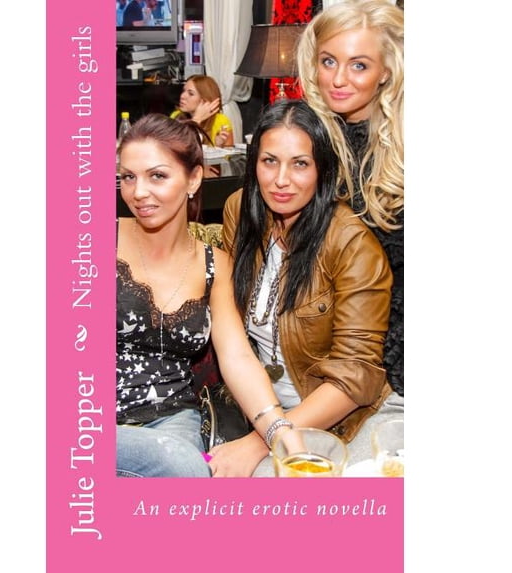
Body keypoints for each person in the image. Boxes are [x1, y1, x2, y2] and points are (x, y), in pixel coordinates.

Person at [211, 99, 392, 476]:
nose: (281, 180)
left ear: (322, 169)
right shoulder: (240, 211)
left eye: (300, 164)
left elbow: (355, 377)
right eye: (269, 161)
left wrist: (262, 440)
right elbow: (231, 330)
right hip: (257, 405)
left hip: (335, 419)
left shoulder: (352, 244)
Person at [116, 113, 292, 477]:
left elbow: (237, 358)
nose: (138, 192)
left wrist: (279, 431)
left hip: (172, 421)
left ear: (194, 178)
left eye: (157, 176)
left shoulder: (216, 264)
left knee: (188, 470)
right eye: (128, 177)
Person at [296, 0, 404, 403]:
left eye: (359, 65)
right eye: (328, 61)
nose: (338, 79)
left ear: (386, 71)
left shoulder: (406, 149)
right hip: (324, 351)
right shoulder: (306, 141)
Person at [170, 75, 234, 148]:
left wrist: (218, 146)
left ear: (205, 100)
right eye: (183, 91)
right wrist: (197, 119)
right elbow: (176, 148)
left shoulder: (221, 120)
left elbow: (230, 153)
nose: (182, 96)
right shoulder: (176, 116)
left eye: (191, 94)